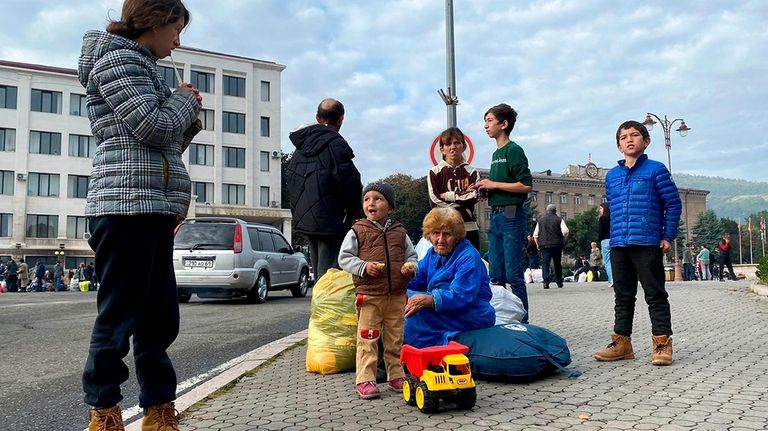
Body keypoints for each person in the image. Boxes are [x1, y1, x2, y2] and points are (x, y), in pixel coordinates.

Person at [78, 0, 202, 428]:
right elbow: (153, 126)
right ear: (156, 21)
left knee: (158, 317)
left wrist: (186, 115)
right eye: (176, 29)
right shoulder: (115, 59)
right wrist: (183, 102)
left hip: (151, 205)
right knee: (119, 314)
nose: (178, 41)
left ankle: (159, 410)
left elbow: (161, 146)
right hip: (123, 205)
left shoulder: (143, 65)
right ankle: (105, 412)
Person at [594, 120, 681, 366]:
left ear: (646, 141)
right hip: (619, 242)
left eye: (635, 135)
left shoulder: (656, 170)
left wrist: (667, 236)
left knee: (655, 294)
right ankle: (622, 343)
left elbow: (673, 204)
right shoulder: (612, 176)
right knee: (623, 296)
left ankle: (662, 344)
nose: (629, 140)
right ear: (618, 145)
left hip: (647, 242)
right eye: (623, 137)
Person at [338, 183, 417, 400]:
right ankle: (365, 379)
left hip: (397, 295)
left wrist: (410, 268)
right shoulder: (357, 230)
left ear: (390, 207)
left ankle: (396, 375)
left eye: (378, 199)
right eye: (367, 199)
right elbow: (344, 258)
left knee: (395, 338)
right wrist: (363, 267)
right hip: (370, 294)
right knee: (368, 337)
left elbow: (412, 256)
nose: (371, 203)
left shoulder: (400, 232)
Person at [287, 98, 364, 282]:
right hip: (332, 219)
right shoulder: (335, 143)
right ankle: (327, 310)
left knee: (321, 277)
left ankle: (319, 309)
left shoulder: (300, 148)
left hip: (307, 220)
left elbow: (292, 181)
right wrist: (356, 211)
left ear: (318, 117)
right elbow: (349, 181)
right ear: (341, 119)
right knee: (331, 277)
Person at [473, 104, 533, 322]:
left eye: (489, 120)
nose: (486, 125)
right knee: (495, 274)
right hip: (496, 215)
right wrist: (485, 190)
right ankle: (499, 319)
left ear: (504, 124)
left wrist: (494, 184)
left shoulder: (513, 150)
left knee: (514, 274)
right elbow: (502, 184)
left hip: (512, 215)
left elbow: (526, 185)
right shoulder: (496, 153)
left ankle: (523, 322)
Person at [404, 207, 495, 350]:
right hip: (443, 308)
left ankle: (424, 355)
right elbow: (415, 279)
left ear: (457, 236)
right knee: (398, 301)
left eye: (447, 234)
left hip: (471, 312)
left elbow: (461, 295)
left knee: (411, 317)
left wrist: (429, 299)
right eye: (436, 234)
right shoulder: (432, 254)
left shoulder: (468, 256)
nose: (440, 240)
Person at [427, 127, 481, 250]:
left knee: (471, 263)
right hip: (443, 229)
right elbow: (434, 199)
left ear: (464, 146)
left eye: (457, 143)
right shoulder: (434, 172)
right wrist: (463, 196)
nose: (453, 147)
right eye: (448, 144)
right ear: (442, 149)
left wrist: (447, 195)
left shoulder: (472, 172)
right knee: (445, 265)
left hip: (469, 227)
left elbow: (475, 196)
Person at [533, 204, 569, 289]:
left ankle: (546, 282)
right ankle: (559, 282)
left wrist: (538, 244)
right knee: (557, 263)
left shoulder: (540, 220)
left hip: (544, 246)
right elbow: (565, 230)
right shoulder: (559, 219)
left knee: (545, 264)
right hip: (557, 244)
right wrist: (563, 238)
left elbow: (535, 234)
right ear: (555, 210)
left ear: (546, 210)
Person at [598, 202, 613, 286]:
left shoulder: (602, 218)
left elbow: (600, 231)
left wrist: (599, 239)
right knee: (614, 260)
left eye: (600, 208)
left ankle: (611, 279)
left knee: (607, 261)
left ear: (604, 209)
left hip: (605, 240)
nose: (600, 210)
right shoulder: (613, 218)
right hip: (613, 240)